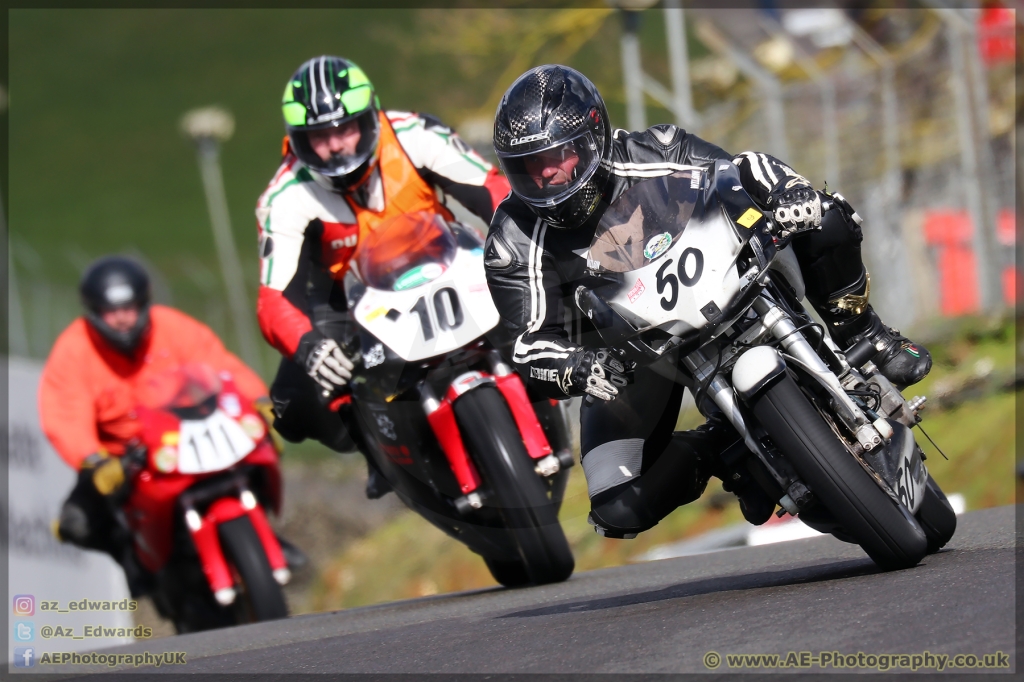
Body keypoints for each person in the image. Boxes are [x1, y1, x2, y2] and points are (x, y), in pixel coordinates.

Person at [484, 65, 933, 539]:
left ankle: (866, 334)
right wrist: (578, 366)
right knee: (617, 508)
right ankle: (723, 449)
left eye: (554, 155)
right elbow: (526, 343)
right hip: (630, 355)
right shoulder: (512, 238)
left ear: (591, 136)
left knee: (825, 217)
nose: (544, 175)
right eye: (527, 166)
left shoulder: (654, 148)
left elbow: (737, 171)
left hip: (730, 279)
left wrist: (786, 192)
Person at [255, 55, 567, 495]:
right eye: (320, 137)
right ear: (297, 142)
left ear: (371, 118)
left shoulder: (413, 133)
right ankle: (378, 450)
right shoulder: (285, 196)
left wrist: (526, 243)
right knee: (291, 405)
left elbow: (492, 189)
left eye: (345, 128)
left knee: (552, 279)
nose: (337, 146)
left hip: (450, 258)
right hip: (347, 300)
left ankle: (557, 367)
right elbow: (274, 300)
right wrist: (309, 347)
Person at [41, 256, 286, 594]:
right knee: (78, 525)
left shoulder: (171, 326)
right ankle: (139, 566)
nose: (123, 320)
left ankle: (262, 537)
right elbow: (65, 414)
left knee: (260, 453)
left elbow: (220, 365)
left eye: (130, 308)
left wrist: (259, 403)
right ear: (94, 313)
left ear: (145, 303)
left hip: (186, 437)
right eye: (113, 312)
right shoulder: (73, 351)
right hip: (121, 461)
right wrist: (93, 460)